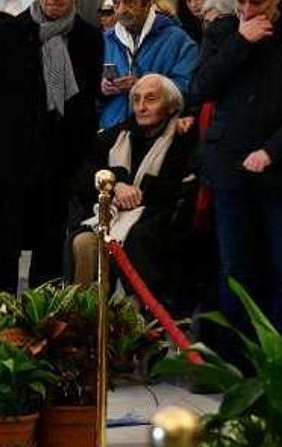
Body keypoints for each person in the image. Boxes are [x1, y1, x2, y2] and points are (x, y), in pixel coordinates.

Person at [192, 0, 282, 364]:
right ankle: (236, 365)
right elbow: (201, 87)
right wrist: (240, 42)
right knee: (234, 269)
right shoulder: (223, 32)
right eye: (241, 1)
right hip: (229, 169)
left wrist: (272, 151)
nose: (247, 7)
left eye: (255, 2)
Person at [0, 0, 102, 295]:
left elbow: (87, 102)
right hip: (9, 159)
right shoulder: (8, 34)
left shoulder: (87, 38)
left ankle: (45, 329)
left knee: (50, 253)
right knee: (1, 251)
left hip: (59, 162)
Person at [70, 74, 196, 302]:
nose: (141, 107)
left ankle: (137, 326)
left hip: (157, 224)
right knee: (83, 242)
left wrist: (140, 194)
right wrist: (115, 185)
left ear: (171, 106)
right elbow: (85, 173)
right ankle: (87, 318)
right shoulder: (117, 134)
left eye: (151, 99)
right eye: (136, 99)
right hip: (113, 218)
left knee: (139, 242)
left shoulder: (183, 138)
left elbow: (183, 189)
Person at [98, 0, 198, 130]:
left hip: (156, 135)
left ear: (147, 3)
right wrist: (101, 88)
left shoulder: (178, 40)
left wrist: (143, 85)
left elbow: (189, 88)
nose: (122, 10)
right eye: (116, 3)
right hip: (111, 134)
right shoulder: (103, 41)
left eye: (129, 3)